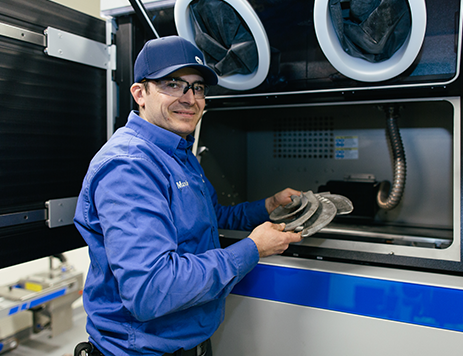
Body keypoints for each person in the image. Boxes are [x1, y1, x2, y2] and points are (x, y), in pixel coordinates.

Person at [73, 35, 302, 356]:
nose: (190, 98)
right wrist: (252, 249)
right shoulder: (129, 167)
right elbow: (152, 290)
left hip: (188, 344)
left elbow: (209, 218)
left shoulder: (178, 153)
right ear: (140, 93)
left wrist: (268, 206)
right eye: (173, 84)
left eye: (197, 88)